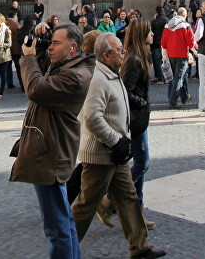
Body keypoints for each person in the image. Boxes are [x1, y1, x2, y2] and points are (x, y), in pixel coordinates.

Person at [70, 33, 164, 259]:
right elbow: (92, 118)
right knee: (85, 206)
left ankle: (140, 247)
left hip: (116, 155)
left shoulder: (112, 74)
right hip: (101, 155)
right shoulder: (98, 79)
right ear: (105, 55)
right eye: (119, 50)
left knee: (128, 199)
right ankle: (64, 246)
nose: (123, 52)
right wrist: (115, 140)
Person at [10, 23, 94, 259]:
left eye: (57, 44)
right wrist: (36, 41)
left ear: (73, 47)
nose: (51, 48)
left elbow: (36, 88)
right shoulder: (69, 67)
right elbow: (44, 70)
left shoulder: (74, 76)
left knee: (56, 228)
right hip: (51, 149)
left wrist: (27, 59)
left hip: (49, 154)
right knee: (63, 220)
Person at [122, 19, 155, 207]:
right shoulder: (134, 60)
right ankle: (114, 196)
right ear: (141, 34)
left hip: (140, 117)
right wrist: (142, 103)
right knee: (143, 163)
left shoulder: (140, 56)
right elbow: (126, 90)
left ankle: (137, 203)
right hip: (137, 118)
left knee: (141, 161)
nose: (152, 34)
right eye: (149, 32)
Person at [161, 7, 196, 109]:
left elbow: (163, 43)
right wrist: (195, 52)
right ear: (185, 15)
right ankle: (173, 102)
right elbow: (191, 42)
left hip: (171, 55)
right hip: (182, 55)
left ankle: (182, 97)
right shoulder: (185, 26)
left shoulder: (167, 26)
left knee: (173, 78)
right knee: (179, 78)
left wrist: (165, 56)